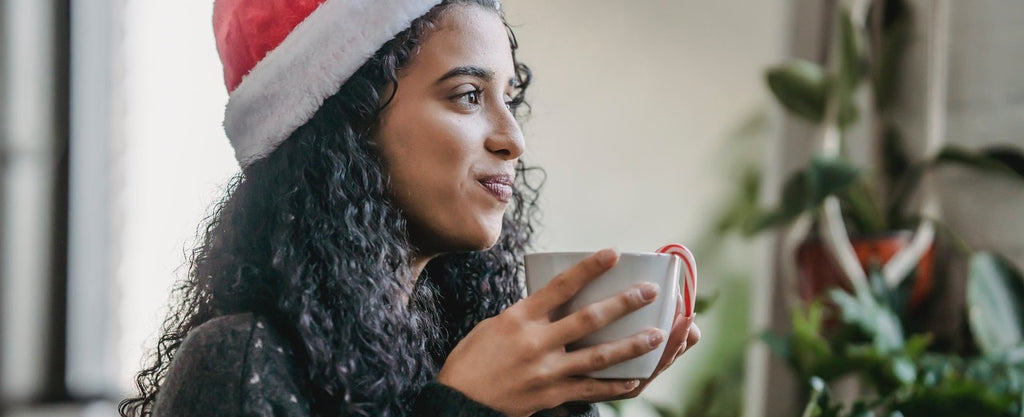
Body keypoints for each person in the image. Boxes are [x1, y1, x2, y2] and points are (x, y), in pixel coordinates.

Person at [119, 0, 701, 416]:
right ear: (348, 125)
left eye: (510, 98)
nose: (513, 140)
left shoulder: (464, 342)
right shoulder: (239, 360)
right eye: (469, 96)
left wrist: (563, 398)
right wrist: (462, 407)